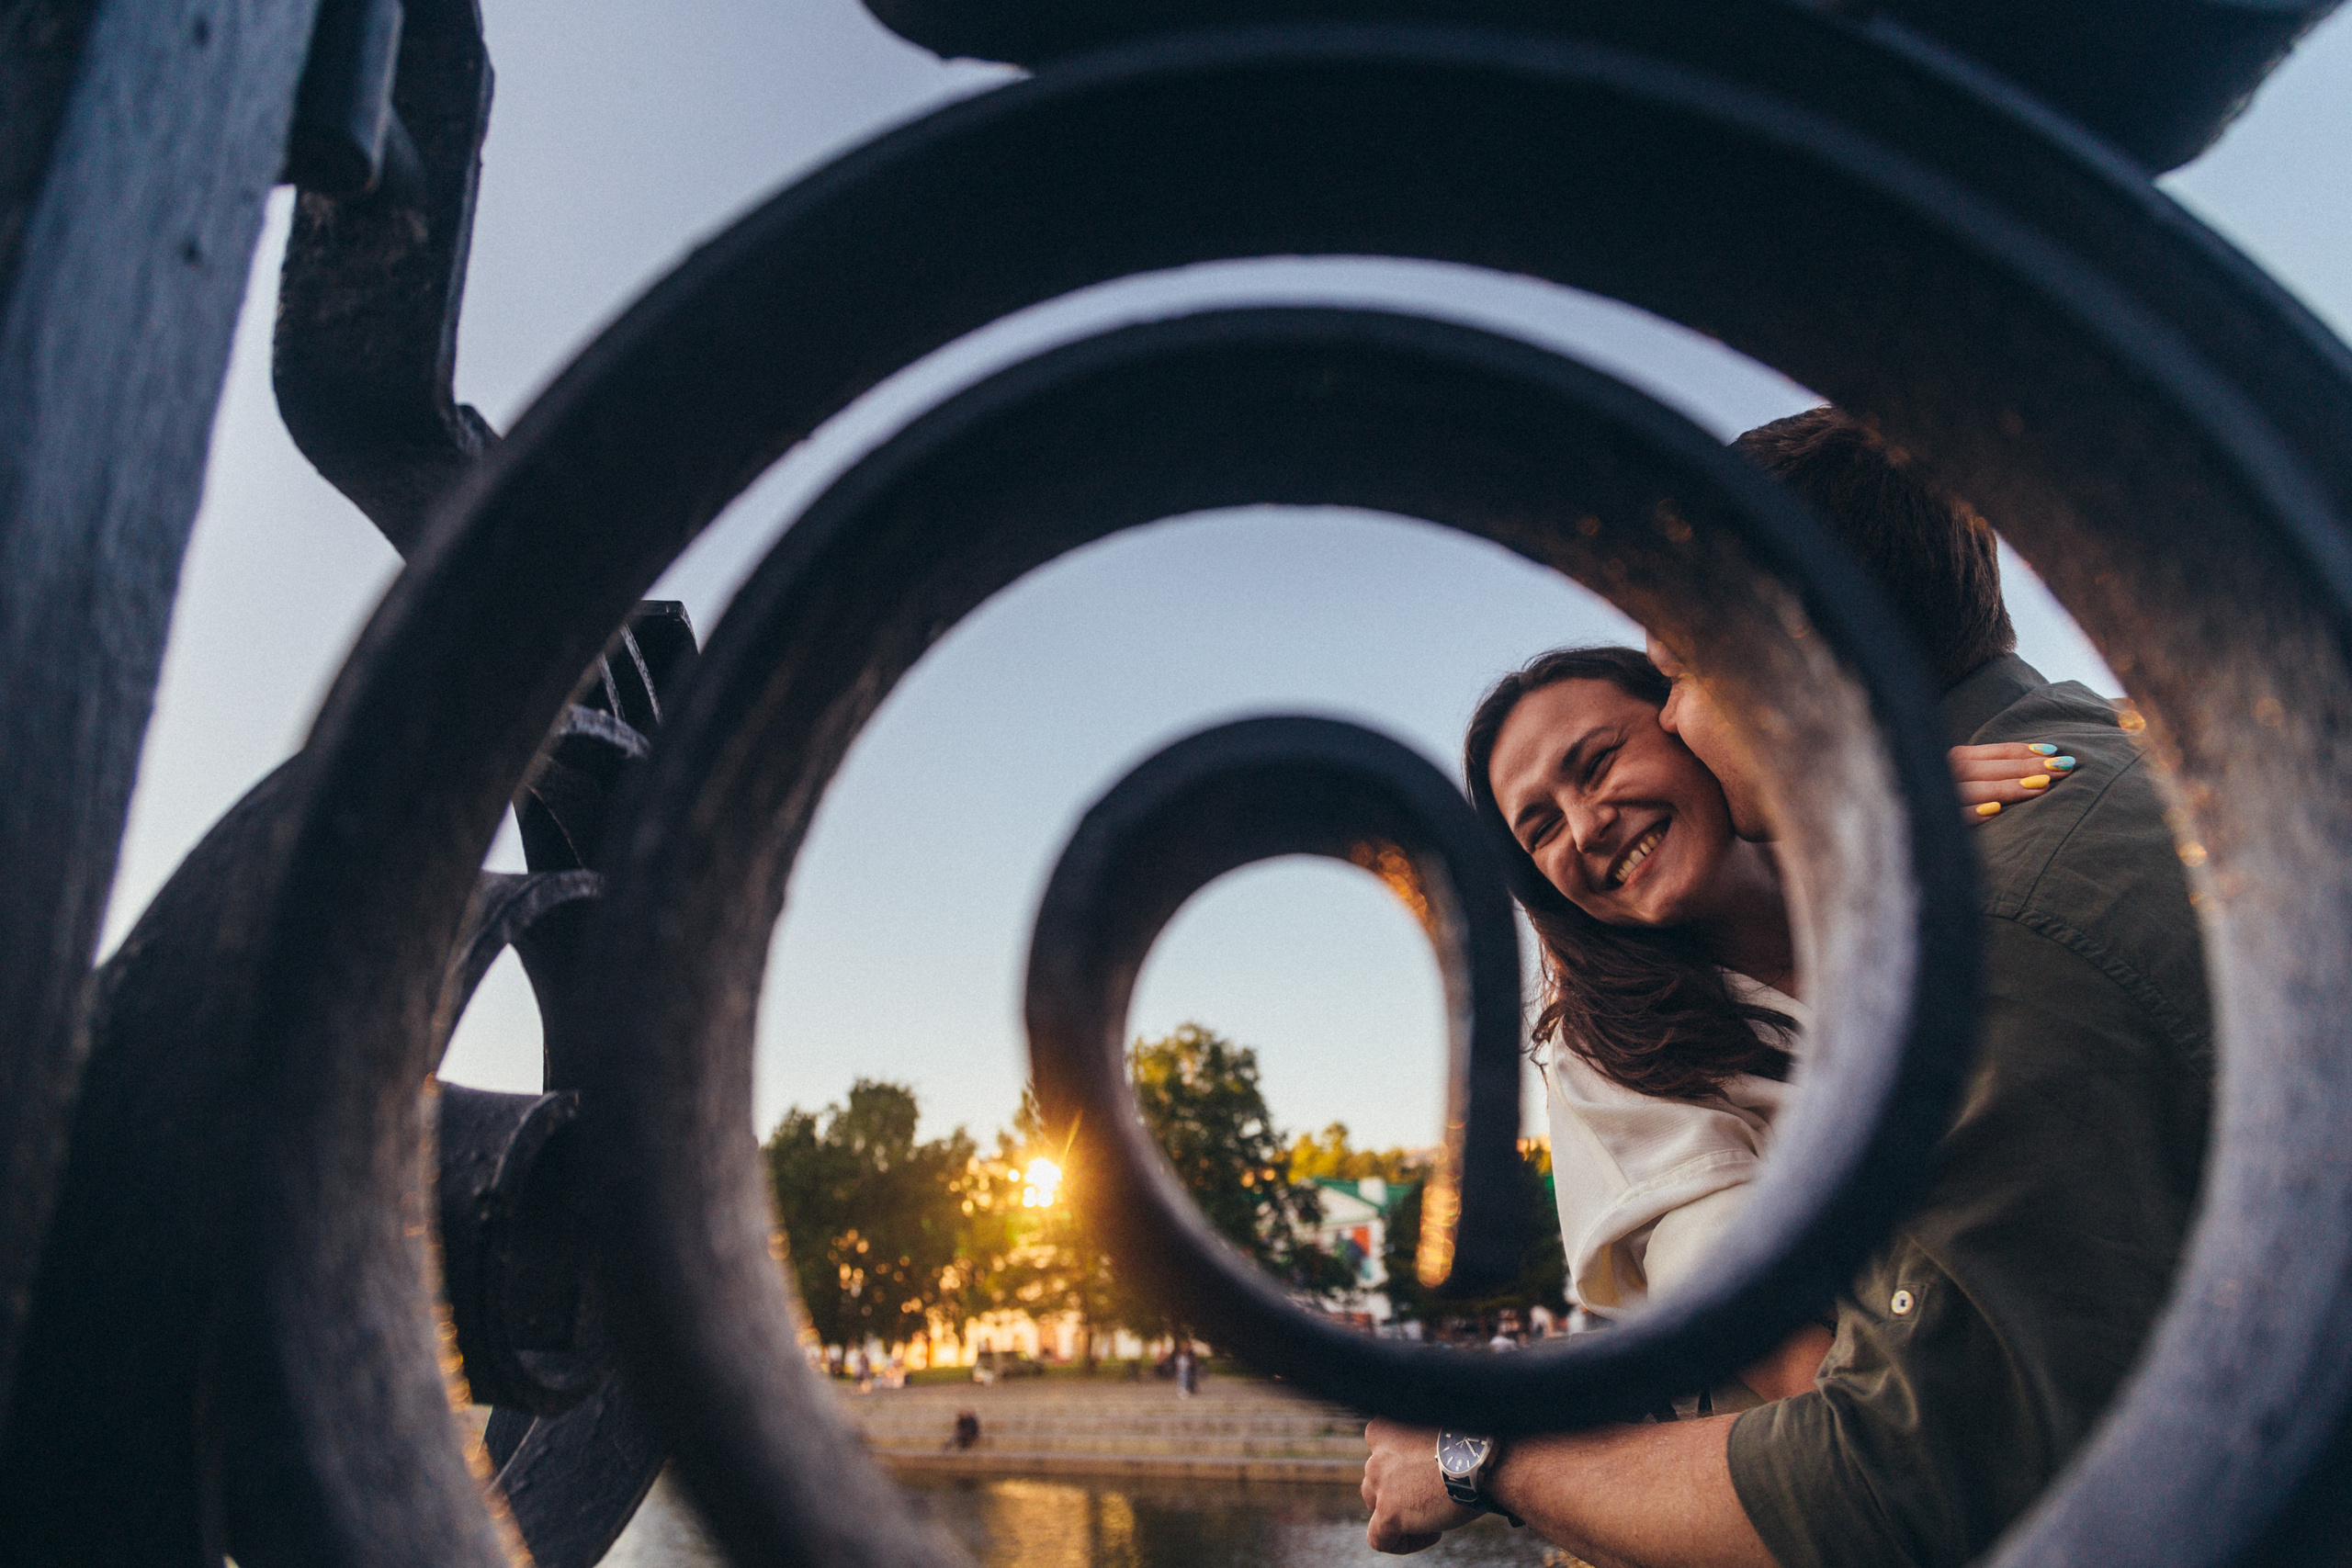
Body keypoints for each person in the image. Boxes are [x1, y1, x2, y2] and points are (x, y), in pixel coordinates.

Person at [1363, 406, 2211, 1568]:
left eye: (1663, 693)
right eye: (1537, 828)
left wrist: (1863, 786)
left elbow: (1910, 1474)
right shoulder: (1613, 1055)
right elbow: (1814, 1383)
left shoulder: (1961, 912)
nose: (1585, 824)